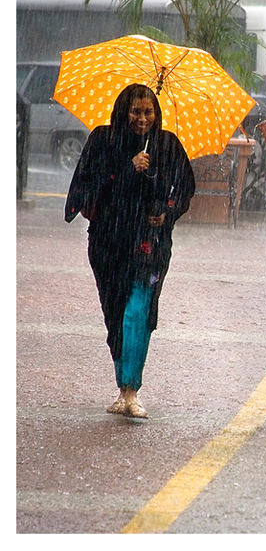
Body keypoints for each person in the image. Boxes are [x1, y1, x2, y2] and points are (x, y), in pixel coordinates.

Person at [65, 83, 195, 418]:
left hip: (148, 244)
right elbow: (86, 186)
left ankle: (131, 390)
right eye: (135, 111)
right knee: (115, 314)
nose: (142, 118)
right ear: (124, 111)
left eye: (148, 112)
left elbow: (184, 188)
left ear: (157, 113)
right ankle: (122, 385)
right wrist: (126, 168)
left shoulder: (167, 145)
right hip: (109, 243)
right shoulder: (103, 140)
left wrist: (166, 210)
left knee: (139, 311)